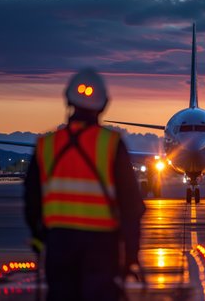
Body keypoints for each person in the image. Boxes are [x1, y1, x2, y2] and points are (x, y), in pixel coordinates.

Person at [24, 68, 145, 301]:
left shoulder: (47, 144)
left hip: (59, 243)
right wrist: (130, 254)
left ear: (67, 100)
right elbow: (131, 206)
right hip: (101, 245)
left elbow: (31, 200)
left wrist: (40, 236)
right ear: (104, 104)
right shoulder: (111, 144)